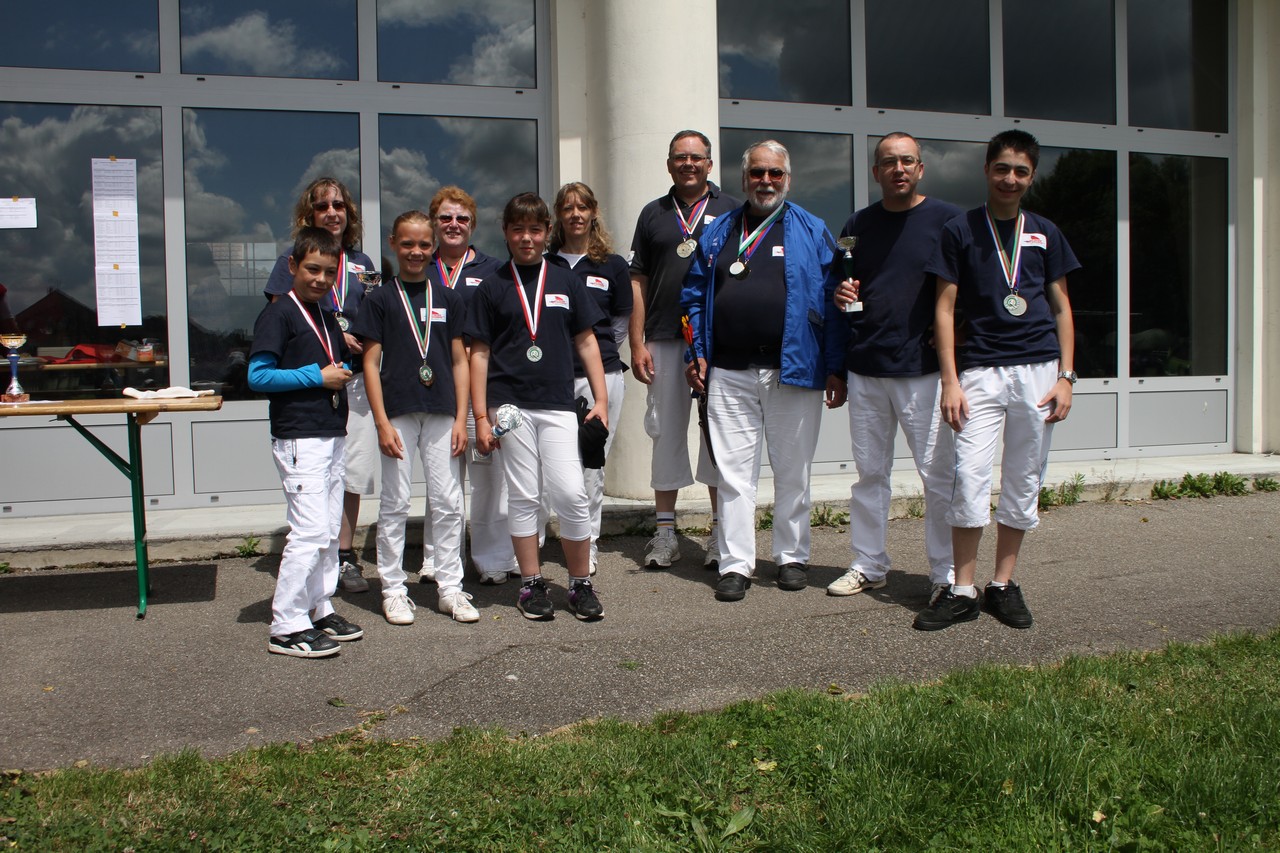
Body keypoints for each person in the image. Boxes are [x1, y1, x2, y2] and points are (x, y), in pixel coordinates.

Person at [917, 129, 1079, 631]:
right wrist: (949, 379)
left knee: (1024, 477)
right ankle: (962, 589)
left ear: (1033, 176)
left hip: (1038, 369)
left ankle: (1003, 584)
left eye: (1021, 171)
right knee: (967, 476)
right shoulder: (960, 230)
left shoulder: (1045, 231)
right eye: (1002, 168)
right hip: (980, 370)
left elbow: (1061, 307)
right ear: (987, 170)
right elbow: (943, 309)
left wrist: (1067, 375)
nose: (1011, 179)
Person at [682, 140, 846, 602]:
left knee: (793, 470)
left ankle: (792, 557)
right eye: (757, 173)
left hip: (792, 370)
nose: (766, 181)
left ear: (787, 178)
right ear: (744, 179)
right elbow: (693, 296)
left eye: (775, 173)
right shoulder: (718, 232)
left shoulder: (813, 230)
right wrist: (697, 353)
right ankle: (736, 563)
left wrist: (836, 367)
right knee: (734, 475)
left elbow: (834, 306)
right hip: (729, 372)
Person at [826, 132, 962, 603]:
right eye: (889, 162)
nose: (898, 169)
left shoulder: (948, 221)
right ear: (876, 172)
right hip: (866, 368)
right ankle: (869, 563)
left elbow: (972, 288)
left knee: (937, 476)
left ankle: (945, 575)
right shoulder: (857, 225)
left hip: (923, 371)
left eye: (907, 161)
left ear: (920, 168)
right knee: (869, 475)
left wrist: (956, 344)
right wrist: (840, 305)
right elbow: (838, 289)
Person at [467, 192, 609, 621]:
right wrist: (480, 417)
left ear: (547, 232)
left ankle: (580, 583)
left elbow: (587, 341)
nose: (526, 238)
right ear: (506, 233)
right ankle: (531, 585)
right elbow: (478, 354)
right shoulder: (493, 286)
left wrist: (601, 398)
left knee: (570, 492)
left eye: (534, 229)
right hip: (509, 407)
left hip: (557, 404)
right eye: (517, 229)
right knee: (525, 495)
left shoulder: (565, 280)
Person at [354, 211, 478, 625]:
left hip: (443, 411)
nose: (416, 251)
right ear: (393, 244)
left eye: (424, 244)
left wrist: (462, 419)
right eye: (408, 244)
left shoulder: (448, 298)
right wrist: (381, 422)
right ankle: (392, 589)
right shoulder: (380, 299)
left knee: (448, 501)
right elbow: (370, 365)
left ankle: (451, 588)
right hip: (399, 412)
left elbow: (459, 361)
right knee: (395, 501)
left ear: (434, 247)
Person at [248, 227, 362, 657]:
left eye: (329, 272)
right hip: (300, 436)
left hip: (330, 433)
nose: (320, 278)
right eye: (312, 269)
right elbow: (257, 376)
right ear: (293, 267)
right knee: (310, 530)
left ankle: (319, 605)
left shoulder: (325, 314)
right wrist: (319, 377)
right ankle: (286, 623)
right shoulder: (279, 314)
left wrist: (346, 358)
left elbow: (326, 361)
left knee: (330, 530)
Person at [629, 130, 740, 571]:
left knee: (717, 435)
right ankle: (665, 533)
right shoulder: (653, 213)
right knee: (665, 432)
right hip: (662, 336)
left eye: (697, 157)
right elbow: (637, 279)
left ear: (710, 164)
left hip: (716, 340)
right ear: (669, 163)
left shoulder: (731, 208)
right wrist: (636, 341)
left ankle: (719, 533)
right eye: (680, 157)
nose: (688, 163)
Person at [264, 177, 379, 595]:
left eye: (339, 205)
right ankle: (309, 553)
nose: (332, 212)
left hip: (354, 378)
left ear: (348, 213)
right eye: (322, 206)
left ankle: (343, 554)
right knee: (312, 474)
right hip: (312, 384)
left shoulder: (364, 263)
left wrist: (360, 337)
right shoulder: (291, 260)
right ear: (309, 215)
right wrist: (332, 334)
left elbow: (375, 315)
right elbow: (287, 321)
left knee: (349, 473)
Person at [420, 186, 518, 586]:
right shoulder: (420, 268)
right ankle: (435, 558)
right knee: (440, 478)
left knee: (489, 477)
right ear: (434, 223)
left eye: (461, 218)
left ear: (472, 224)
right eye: (445, 218)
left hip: (483, 386)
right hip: (436, 389)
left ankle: (493, 556)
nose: (453, 225)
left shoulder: (494, 270)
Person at [546, 182, 632, 575]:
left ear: (594, 212)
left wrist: (594, 359)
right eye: (568, 207)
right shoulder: (547, 264)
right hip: (554, 379)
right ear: (559, 215)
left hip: (603, 378)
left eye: (583, 207)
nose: (576, 214)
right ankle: (551, 538)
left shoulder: (612, 264)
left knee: (592, 464)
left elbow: (617, 326)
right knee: (555, 464)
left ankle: (588, 542)